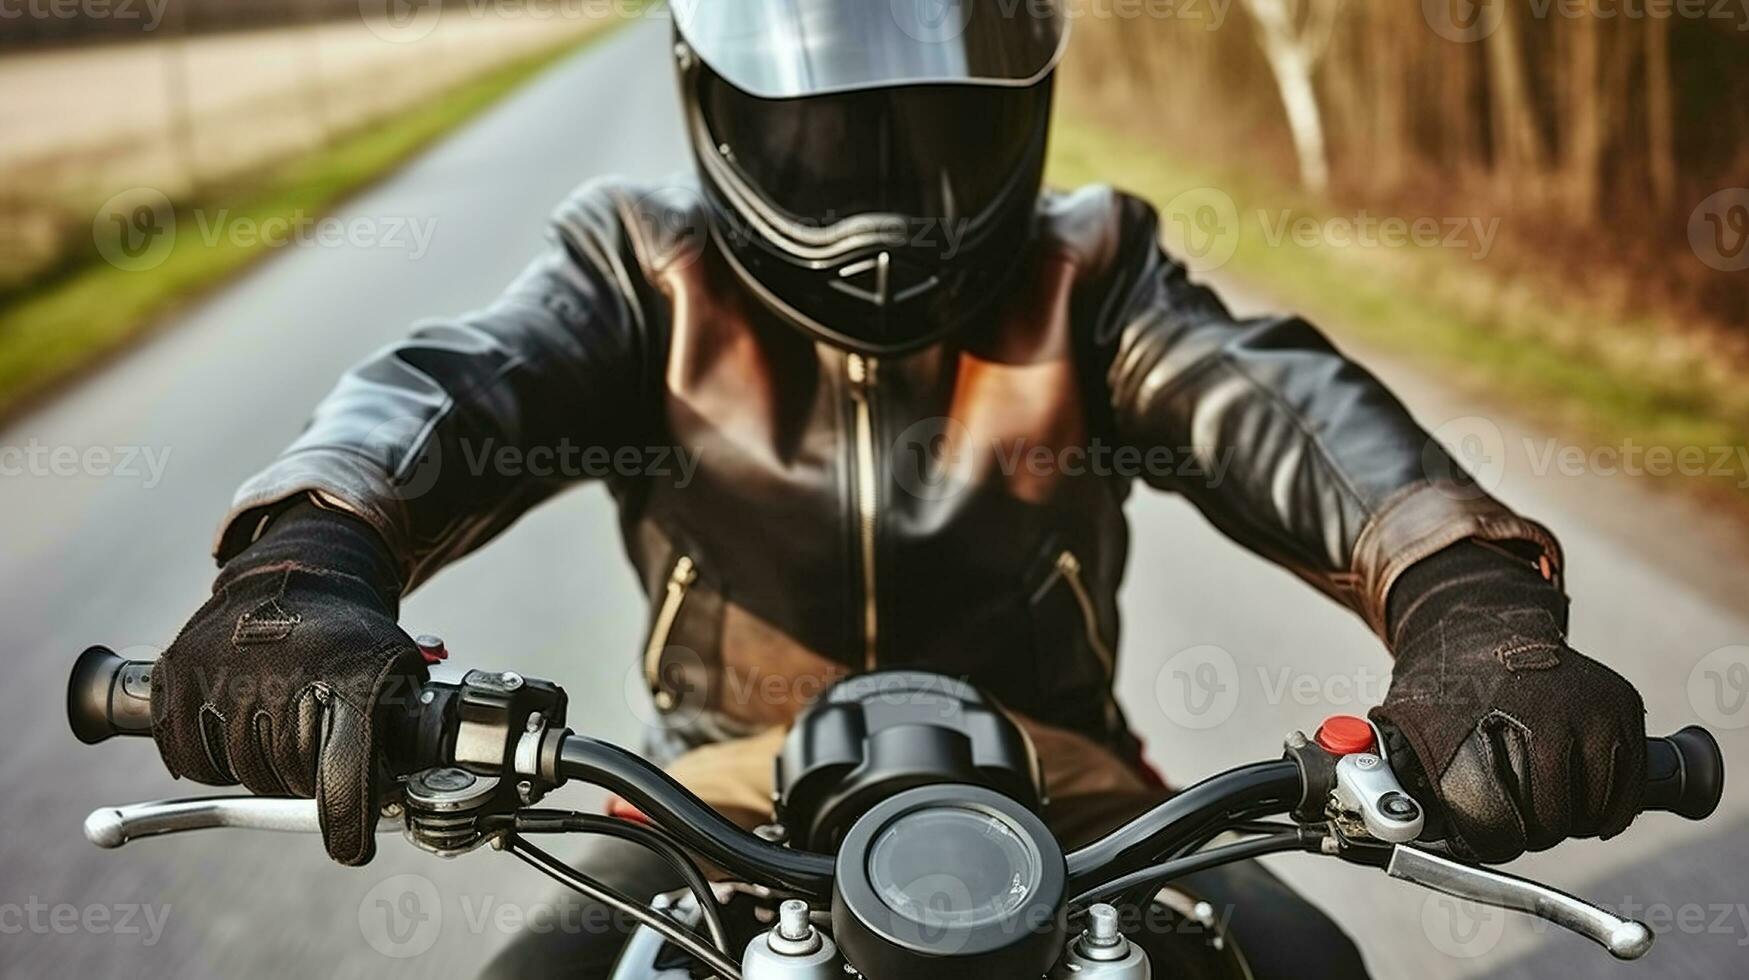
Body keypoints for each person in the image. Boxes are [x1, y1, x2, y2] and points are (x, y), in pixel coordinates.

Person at [144, 3, 1647, 976]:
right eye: (819, 131)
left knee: (1307, 969)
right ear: (709, 102)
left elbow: (1290, 418)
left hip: (1062, 776)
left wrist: (1471, 611)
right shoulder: (637, 268)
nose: (879, 190)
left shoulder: (1092, 271)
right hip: (718, 777)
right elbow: (451, 387)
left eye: (935, 129)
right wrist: (303, 572)